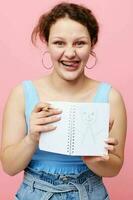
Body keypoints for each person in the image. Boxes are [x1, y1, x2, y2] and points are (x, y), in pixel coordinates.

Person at [1, 2, 127, 200]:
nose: (70, 53)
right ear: (48, 44)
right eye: (59, 43)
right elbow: (9, 167)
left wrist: (92, 157)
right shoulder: (22, 94)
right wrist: (32, 137)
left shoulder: (111, 97)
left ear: (92, 44)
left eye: (80, 43)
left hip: (90, 193)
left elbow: (114, 169)